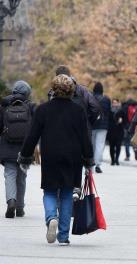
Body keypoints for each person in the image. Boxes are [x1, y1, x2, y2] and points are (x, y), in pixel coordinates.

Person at [18, 75, 94, 245]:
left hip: (50, 154)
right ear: (71, 90)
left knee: (50, 191)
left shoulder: (43, 110)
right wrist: (89, 159)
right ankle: (63, 235)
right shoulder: (78, 110)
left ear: (53, 89)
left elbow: (32, 135)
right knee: (67, 193)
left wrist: (25, 156)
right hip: (72, 156)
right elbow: (84, 137)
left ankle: (52, 217)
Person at [0, 81, 35, 218]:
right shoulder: (31, 107)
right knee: (21, 177)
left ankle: (11, 201)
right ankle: (20, 207)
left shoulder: (4, 105)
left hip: (7, 147)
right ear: (27, 93)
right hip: (25, 148)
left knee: (9, 174)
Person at [54, 65, 101, 129]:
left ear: (56, 76)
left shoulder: (53, 91)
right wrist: (87, 121)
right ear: (69, 75)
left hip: (61, 130)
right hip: (81, 129)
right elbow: (95, 107)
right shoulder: (83, 90)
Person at [91, 82, 111, 174]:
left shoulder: (90, 97)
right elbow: (108, 112)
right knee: (100, 144)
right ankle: (98, 164)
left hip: (92, 124)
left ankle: (91, 162)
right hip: (103, 125)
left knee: (92, 144)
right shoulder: (106, 99)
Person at [108, 99, 125, 166]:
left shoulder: (121, 111)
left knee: (118, 145)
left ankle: (117, 159)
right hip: (111, 130)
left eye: (116, 103)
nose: (114, 104)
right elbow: (108, 120)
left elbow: (125, 120)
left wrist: (122, 121)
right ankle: (112, 160)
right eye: (113, 103)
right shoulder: (109, 111)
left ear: (118, 103)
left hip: (119, 130)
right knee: (111, 146)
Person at [122, 95, 137, 161]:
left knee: (127, 142)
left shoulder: (125, 107)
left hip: (127, 127)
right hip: (134, 127)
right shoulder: (136, 107)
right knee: (135, 141)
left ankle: (127, 156)